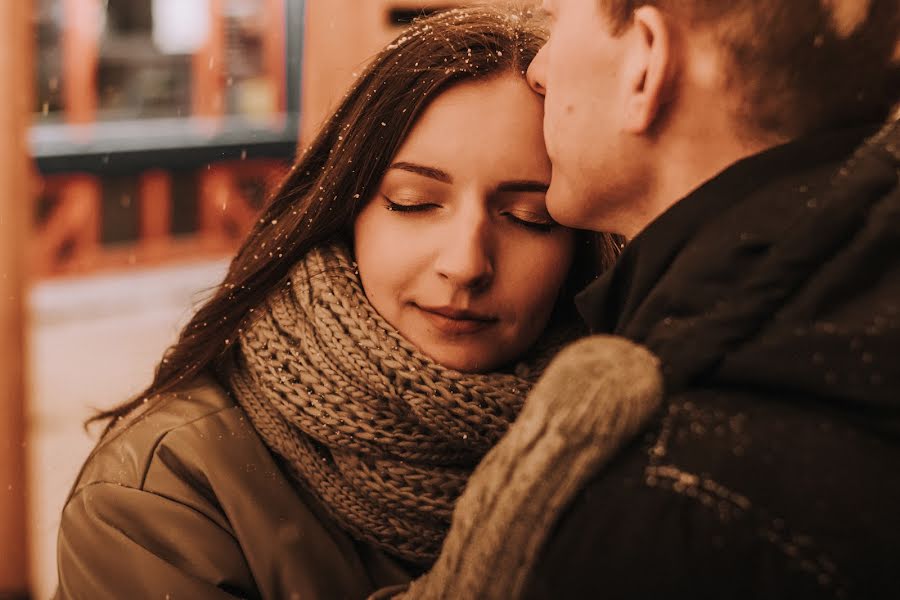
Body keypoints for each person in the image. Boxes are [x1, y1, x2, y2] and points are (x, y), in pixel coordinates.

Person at [53, 7, 617, 599]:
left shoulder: (640, 436)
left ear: (579, 245)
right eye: (413, 202)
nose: (467, 262)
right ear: (344, 215)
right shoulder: (163, 485)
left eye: (528, 217)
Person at [388, 1, 900, 599]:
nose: (540, 70)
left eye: (560, 21)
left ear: (646, 65)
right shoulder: (834, 329)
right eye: (413, 201)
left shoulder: (668, 497)